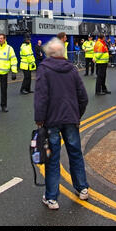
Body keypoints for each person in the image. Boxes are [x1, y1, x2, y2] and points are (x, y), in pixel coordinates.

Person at [34, 38, 89, 210]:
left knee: (52, 158)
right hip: (70, 119)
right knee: (75, 153)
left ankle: (52, 198)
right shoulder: (72, 69)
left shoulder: (44, 69)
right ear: (62, 53)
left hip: (51, 120)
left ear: (48, 53)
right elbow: (83, 97)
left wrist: (39, 119)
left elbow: (41, 97)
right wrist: (76, 115)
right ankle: (82, 188)